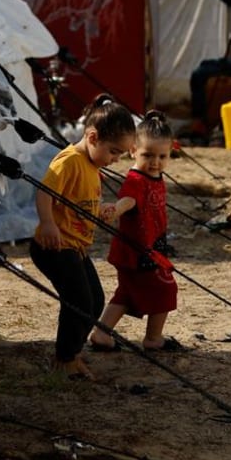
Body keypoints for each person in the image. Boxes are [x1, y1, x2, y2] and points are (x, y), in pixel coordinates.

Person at [30, 94, 137, 381]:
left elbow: (77, 200)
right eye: (114, 152)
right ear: (92, 137)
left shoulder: (92, 166)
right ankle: (64, 358)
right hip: (53, 246)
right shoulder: (69, 161)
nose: (116, 160)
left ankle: (72, 353)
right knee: (78, 300)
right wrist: (48, 223)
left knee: (95, 301)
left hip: (75, 247)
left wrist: (100, 210)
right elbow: (44, 193)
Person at [88, 110, 183, 353]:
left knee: (126, 293)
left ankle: (101, 333)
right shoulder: (136, 180)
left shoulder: (155, 175)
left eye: (162, 156)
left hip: (146, 248)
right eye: (148, 155)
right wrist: (116, 209)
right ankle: (153, 338)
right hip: (138, 252)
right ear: (132, 151)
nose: (155, 162)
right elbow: (129, 200)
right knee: (165, 289)